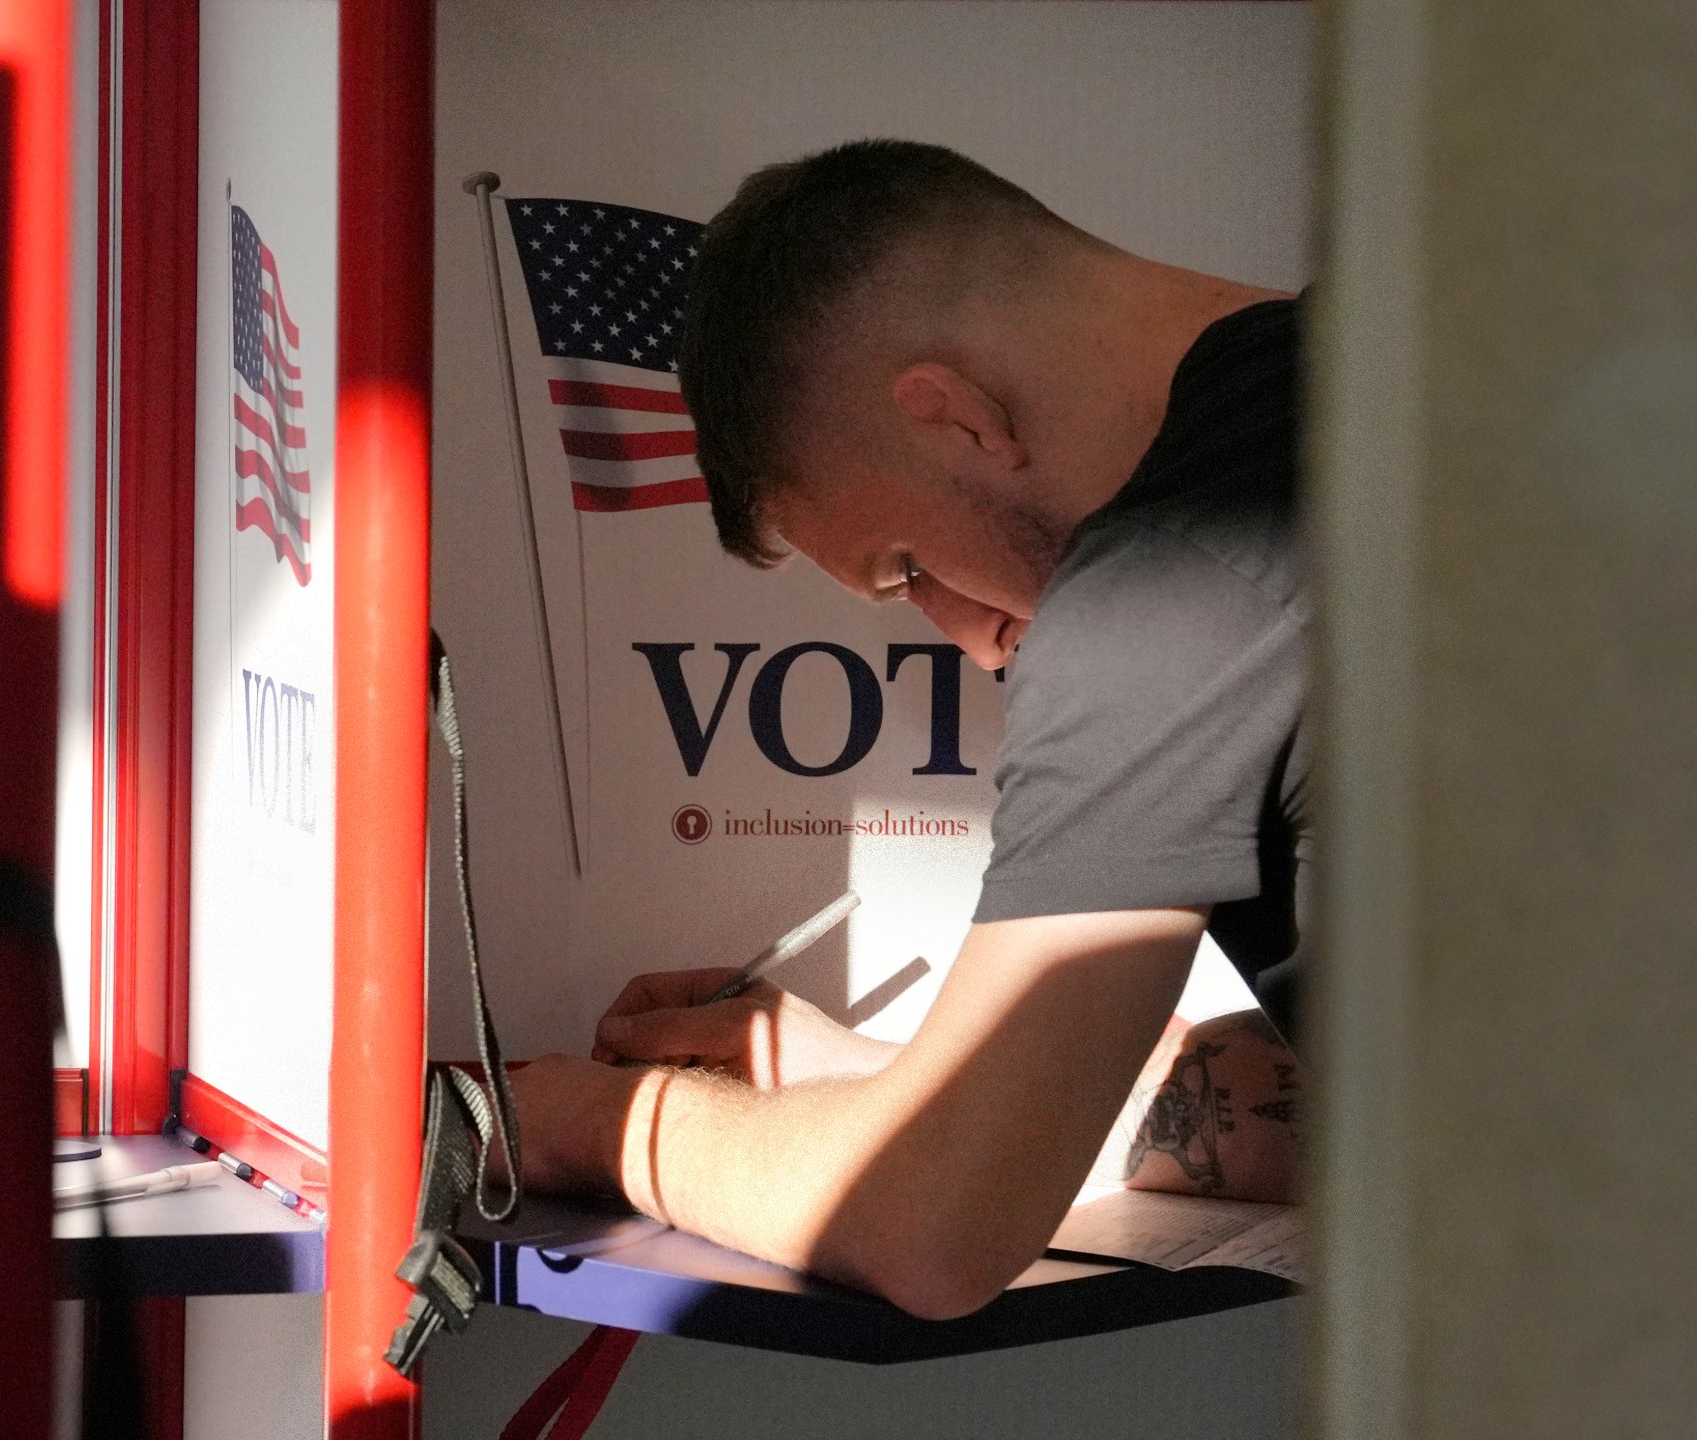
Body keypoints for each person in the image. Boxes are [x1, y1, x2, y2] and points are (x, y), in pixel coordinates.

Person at [509, 140, 1311, 1321]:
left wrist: (555, 1121)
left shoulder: (1164, 580)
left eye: (905, 569)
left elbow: (929, 1233)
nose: (975, 640)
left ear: (953, 419)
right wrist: (891, 1086)